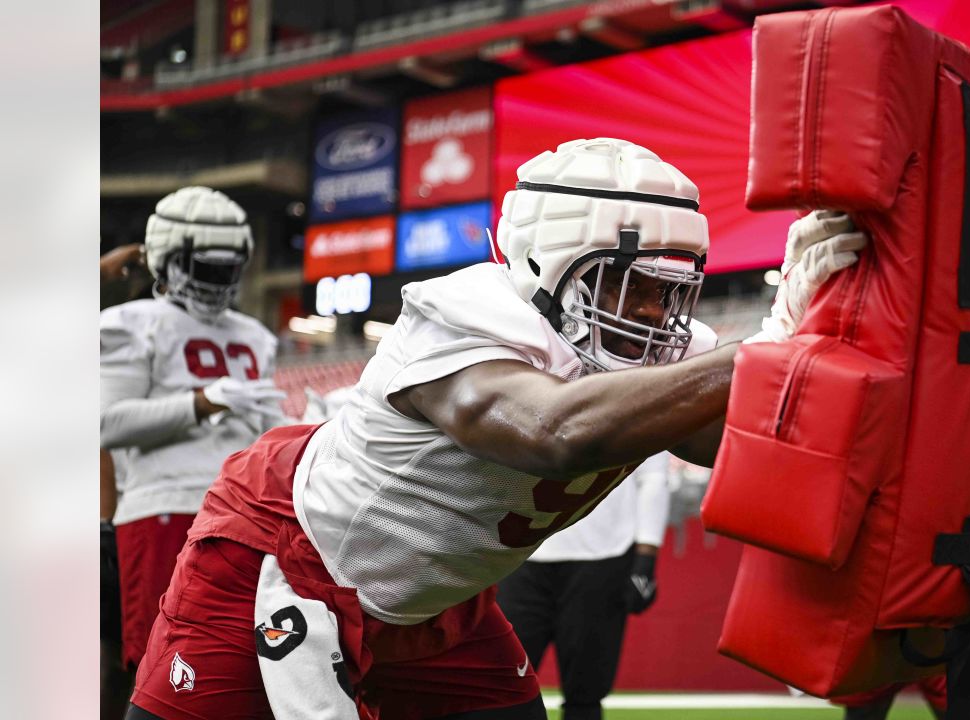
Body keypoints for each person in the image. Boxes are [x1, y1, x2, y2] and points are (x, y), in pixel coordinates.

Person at [123, 138, 867, 720]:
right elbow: (552, 432)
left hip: (436, 606)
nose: (650, 315)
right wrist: (767, 355)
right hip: (282, 559)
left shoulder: (666, 354)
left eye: (669, 293)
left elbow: (747, 446)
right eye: (630, 284)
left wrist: (830, 326)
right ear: (552, 265)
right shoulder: (466, 316)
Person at [100, 186, 284, 701]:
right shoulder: (129, 323)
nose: (219, 283)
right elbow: (105, 423)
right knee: (159, 664)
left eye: (229, 269)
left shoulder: (254, 334)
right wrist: (200, 404)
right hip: (165, 508)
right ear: (169, 258)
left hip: (247, 516)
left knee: (243, 664)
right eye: (206, 269)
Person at [497, 451, 677, 720]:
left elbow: (653, 476)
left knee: (586, 689)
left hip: (603, 554)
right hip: (520, 553)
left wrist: (646, 554)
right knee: (504, 683)